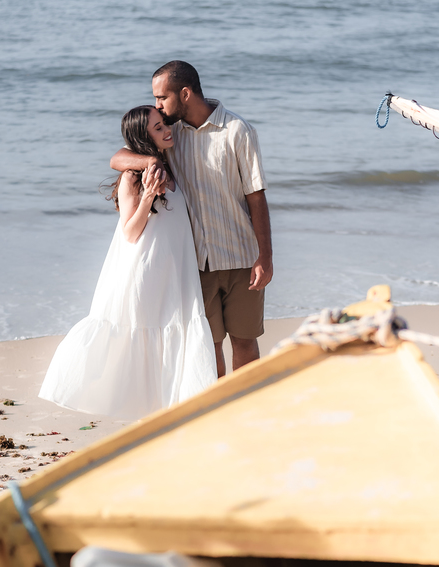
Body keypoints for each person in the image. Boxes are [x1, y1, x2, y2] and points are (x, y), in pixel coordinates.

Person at [38, 106, 217, 420]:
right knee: (144, 336)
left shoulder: (166, 165)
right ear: (143, 137)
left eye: (164, 124)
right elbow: (130, 233)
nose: (166, 131)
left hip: (174, 269)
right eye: (158, 128)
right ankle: (144, 413)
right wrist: (148, 196)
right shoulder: (131, 178)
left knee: (174, 332)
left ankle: (171, 412)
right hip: (145, 270)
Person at [110, 60, 272, 378]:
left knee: (245, 340)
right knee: (207, 344)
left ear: (184, 94)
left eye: (161, 98)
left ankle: (245, 405)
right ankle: (215, 410)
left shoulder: (238, 131)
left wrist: (265, 256)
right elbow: (117, 158)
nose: (157, 105)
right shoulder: (169, 135)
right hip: (195, 264)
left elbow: (257, 197)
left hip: (241, 257)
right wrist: (148, 161)